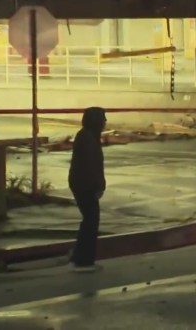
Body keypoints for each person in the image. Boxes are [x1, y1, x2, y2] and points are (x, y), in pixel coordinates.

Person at [68, 107, 107, 272]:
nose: (105, 122)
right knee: (91, 221)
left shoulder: (87, 135)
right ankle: (84, 260)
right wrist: (98, 185)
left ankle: (80, 256)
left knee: (89, 220)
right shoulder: (88, 138)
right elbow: (91, 165)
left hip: (81, 183)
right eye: (103, 118)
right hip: (85, 185)